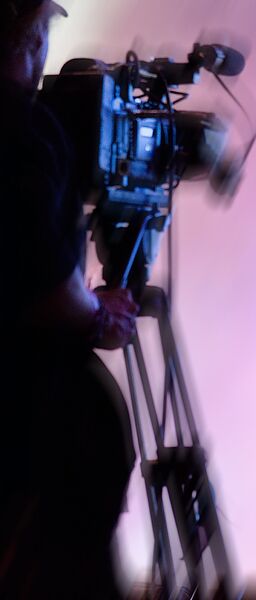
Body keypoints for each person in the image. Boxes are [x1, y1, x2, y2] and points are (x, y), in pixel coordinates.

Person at [0, 1, 139, 596]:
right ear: (28, 40)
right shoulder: (23, 132)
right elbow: (49, 288)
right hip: (23, 424)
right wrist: (100, 316)